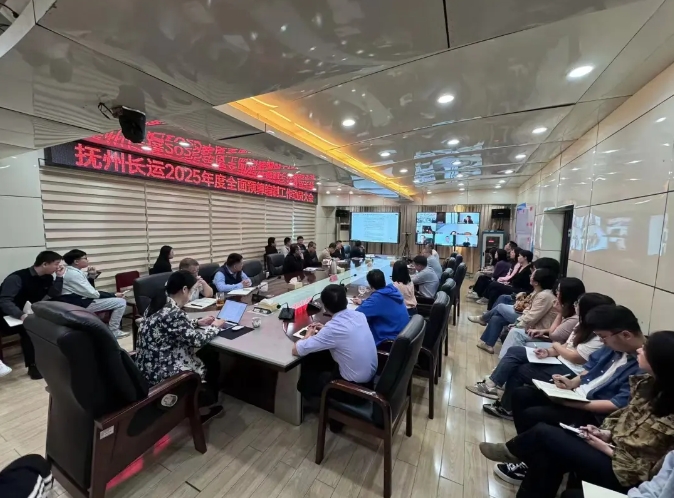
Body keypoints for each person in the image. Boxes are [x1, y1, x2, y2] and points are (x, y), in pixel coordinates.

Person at [479, 329, 674, 498]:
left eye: (646, 350)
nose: (640, 350)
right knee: (548, 454)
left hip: (625, 472)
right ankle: (522, 459)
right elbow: (622, 419)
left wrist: (607, 449)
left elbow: (652, 470)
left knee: (545, 433)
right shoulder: (646, 386)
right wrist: (604, 433)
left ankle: (514, 451)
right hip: (611, 448)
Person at [468, 293, 614, 415]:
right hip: (559, 360)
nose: (575, 306)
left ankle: (506, 407)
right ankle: (493, 385)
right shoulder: (581, 324)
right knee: (515, 351)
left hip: (570, 370)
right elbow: (566, 346)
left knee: (521, 369)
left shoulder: (598, 335)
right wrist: (548, 351)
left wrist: (555, 346)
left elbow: (576, 357)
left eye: (578, 304)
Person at [136, 270, 225, 418]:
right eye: (193, 290)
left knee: (207, 354)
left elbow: (167, 325)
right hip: (164, 374)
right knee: (210, 356)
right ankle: (205, 402)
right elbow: (198, 340)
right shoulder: (174, 313)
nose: (192, 294)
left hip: (148, 368)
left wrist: (197, 322)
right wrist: (215, 326)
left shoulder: (157, 303)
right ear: (184, 289)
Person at [293, 284, 378, 408]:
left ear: (325, 307)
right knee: (321, 356)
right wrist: (325, 329)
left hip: (353, 391)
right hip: (369, 381)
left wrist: (308, 334)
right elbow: (344, 334)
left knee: (309, 366)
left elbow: (296, 349)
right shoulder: (359, 315)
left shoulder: (333, 329)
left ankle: (312, 403)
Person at [0, 251, 65, 379]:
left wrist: (59, 277)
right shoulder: (17, 278)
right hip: (9, 316)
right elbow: (4, 301)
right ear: (44, 264)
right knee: (31, 328)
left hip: (30, 312)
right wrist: (21, 314)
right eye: (56, 264)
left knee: (53, 322)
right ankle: (33, 365)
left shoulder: (47, 277)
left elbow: (53, 294)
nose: (59, 267)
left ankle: (51, 358)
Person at [470, 268, 558, 354]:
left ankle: (483, 318)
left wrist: (517, 324)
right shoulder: (539, 291)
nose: (530, 276)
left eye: (532, 275)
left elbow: (532, 317)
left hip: (537, 328)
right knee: (497, 318)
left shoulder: (544, 296)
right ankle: (488, 344)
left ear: (536, 282)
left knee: (500, 307)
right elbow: (528, 309)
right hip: (529, 320)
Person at [497, 277, 585, 359]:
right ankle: (503, 364)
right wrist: (542, 331)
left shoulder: (574, 316)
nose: (556, 292)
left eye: (559, 290)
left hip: (558, 347)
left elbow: (554, 335)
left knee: (516, 337)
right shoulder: (564, 307)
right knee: (507, 326)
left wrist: (559, 313)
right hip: (553, 341)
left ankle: (505, 364)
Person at [58, 249, 130, 339]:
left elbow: (88, 289)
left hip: (80, 300)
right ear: (76, 261)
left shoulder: (72, 271)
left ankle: (108, 328)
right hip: (80, 304)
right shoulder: (74, 275)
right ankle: (114, 331)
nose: (88, 260)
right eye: (85, 258)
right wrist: (114, 294)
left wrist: (91, 276)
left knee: (114, 300)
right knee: (121, 302)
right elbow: (92, 293)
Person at [352, 269, 410, 345]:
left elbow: (356, 316)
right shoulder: (392, 291)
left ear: (370, 285)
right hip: (400, 333)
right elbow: (383, 305)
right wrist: (363, 302)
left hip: (388, 341)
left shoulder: (377, 298)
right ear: (384, 281)